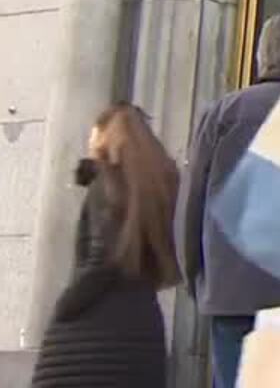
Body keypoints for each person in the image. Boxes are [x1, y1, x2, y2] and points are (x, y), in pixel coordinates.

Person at [177, 11, 280, 387]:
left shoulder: (223, 113)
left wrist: (197, 278)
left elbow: (192, 202)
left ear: (261, 57)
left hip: (231, 292)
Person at [32, 104, 180, 388]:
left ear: (104, 134)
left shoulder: (106, 183)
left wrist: (68, 304)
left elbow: (106, 255)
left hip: (92, 334)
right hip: (141, 329)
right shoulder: (156, 190)